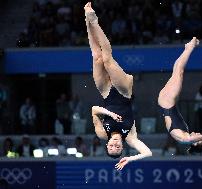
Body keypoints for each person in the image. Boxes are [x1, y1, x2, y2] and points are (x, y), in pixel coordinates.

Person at [85, 2, 152, 170]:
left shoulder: (102, 133)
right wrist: (131, 159)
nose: (114, 145)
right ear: (123, 147)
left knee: (96, 56)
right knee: (107, 59)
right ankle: (95, 22)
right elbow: (148, 153)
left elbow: (94, 109)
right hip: (124, 92)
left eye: (111, 147)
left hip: (106, 93)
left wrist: (110, 114)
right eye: (118, 148)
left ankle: (87, 20)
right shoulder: (130, 137)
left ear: (107, 144)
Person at [158, 37, 202, 153]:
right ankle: (188, 48)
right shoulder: (185, 134)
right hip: (169, 102)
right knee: (178, 71)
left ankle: (189, 47)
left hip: (167, 102)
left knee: (179, 71)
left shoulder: (184, 139)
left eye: (199, 138)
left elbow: (191, 138)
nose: (199, 134)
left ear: (196, 142)